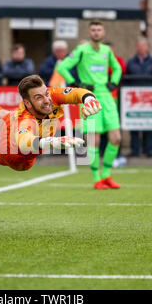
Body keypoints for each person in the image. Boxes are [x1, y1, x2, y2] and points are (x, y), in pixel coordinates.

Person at [0, 75, 101, 171]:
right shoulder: (24, 120)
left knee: (5, 114)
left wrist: (89, 99)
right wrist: (51, 141)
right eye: (39, 97)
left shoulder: (52, 95)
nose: (46, 100)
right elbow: (25, 142)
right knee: (10, 159)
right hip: (16, 151)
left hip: (29, 133)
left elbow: (76, 93)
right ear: (27, 103)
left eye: (46, 93)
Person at [57, 19, 123, 190]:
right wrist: (76, 83)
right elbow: (63, 67)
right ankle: (96, 178)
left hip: (107, 97)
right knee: (94, 139)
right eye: (93, 29)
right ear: (89, 32)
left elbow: (118, 68)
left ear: (103, 33)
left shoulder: (107, 50)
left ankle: (106, 174)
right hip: (89, 98)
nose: (96, 32)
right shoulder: (81, 50)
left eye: (99, 29)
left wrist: (114, 82)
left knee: (116, 138)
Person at [125, 37, 152, 157]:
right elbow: (127, 79)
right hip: (135, 99)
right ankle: (135, 150)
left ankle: (149, 149)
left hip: (149, 99)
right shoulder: (130, 62)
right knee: (134, 126)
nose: (141, 48)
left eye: (143, 46)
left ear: (147, 47)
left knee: (149, 124)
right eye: (139, 46)